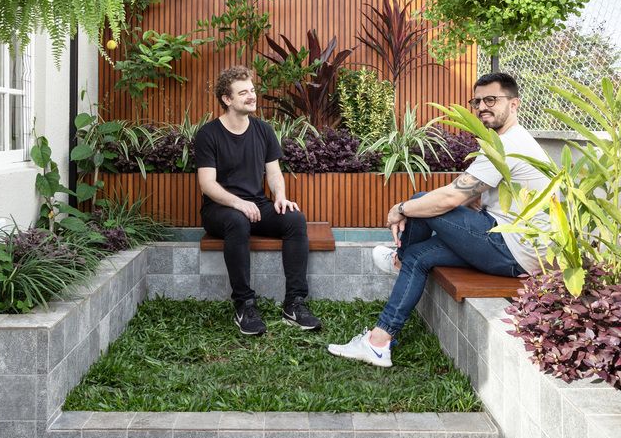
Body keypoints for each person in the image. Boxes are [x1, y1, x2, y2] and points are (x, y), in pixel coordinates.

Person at [328, 72, 549, 368]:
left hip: (512, 250)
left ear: (514, 104)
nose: (482, 106)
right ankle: (378, 343)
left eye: (492, 100)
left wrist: (401, 208)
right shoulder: (508, 141)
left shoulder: (507, 146)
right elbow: (469, 191)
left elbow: (448, 200)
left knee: (421, 201)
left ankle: (398, 259)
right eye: (478, 101)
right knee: (419, 256)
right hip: (514, 246)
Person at [194, 65, 322, 336]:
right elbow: (207, 184)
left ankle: (295, 303)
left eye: (252, 90)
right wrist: (238, 203)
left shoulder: (263, 131)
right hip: (220, 210)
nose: (252, 96)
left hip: (257, 205)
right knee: (238, 222)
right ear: (227, 99)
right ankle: (244, 304)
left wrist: (281, 198)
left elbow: (274, 173)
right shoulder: (209, 134)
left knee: (295, 220)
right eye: (243, 92)